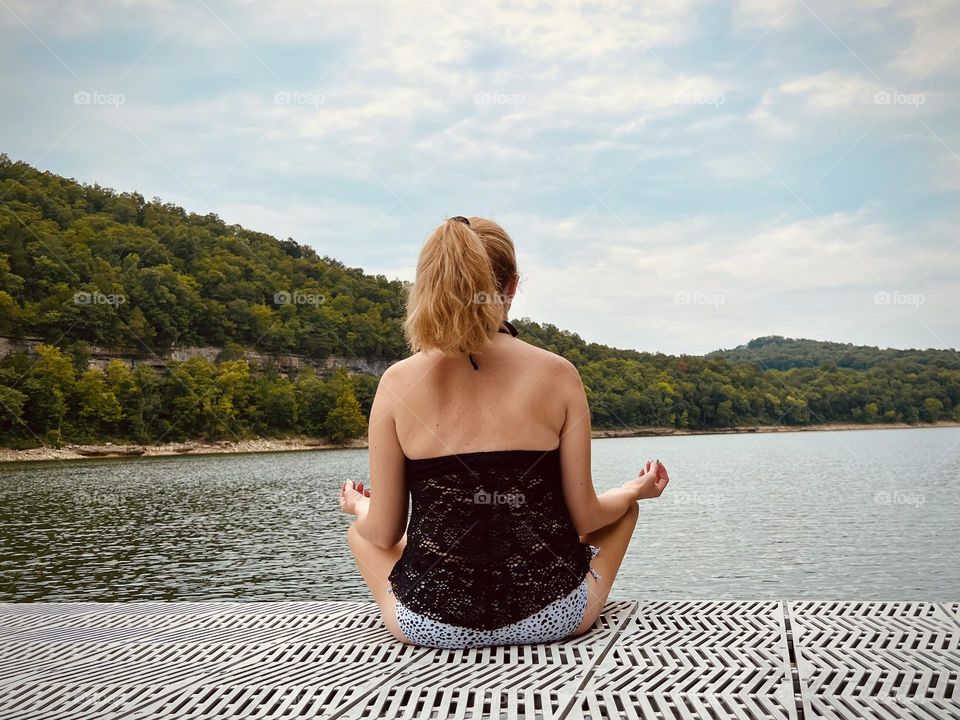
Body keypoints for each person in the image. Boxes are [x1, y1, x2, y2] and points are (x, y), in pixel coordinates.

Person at [340, 215, 669, 649]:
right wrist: (632, 491)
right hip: (555, 617)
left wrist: (362, 508)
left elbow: (383, 534)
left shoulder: (398, 383)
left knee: (360, 534)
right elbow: (587, 518)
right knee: (620, 512)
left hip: (430, 626)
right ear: (511, 287)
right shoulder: (558, 374)